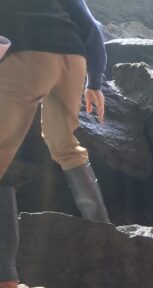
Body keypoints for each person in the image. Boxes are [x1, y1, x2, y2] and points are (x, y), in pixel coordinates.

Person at [0, 0, 110, 286]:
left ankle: (5, 277)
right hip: (73, 60)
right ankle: (106, 234)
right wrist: (95, 82)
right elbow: (92, 26)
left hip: (29, 55)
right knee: (65, 145)